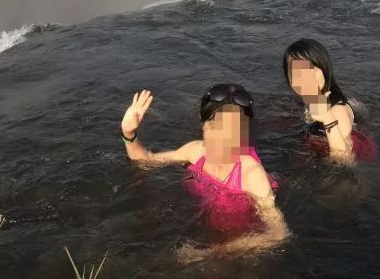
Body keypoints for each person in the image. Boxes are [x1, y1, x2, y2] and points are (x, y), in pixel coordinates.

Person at [120, 85, 289, 260]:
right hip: (208, 227)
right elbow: (145, 161)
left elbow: (278, 233)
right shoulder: (195, 151)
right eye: (214, 125)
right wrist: (129, 133)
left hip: (239, 242)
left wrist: (212, 252)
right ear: (203, 125)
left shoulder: (251, 174)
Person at [283, 38, 377, 164]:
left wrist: (327, 118)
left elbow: (344, 160)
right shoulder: (310, 100)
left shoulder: (337, 111)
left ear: (325, 70)